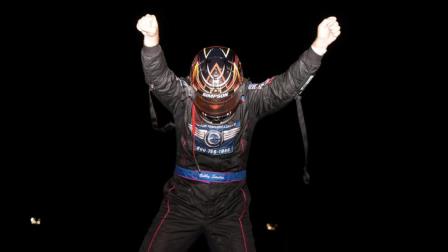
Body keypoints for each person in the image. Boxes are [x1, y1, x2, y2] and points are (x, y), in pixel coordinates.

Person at [136, 13, 340, 252]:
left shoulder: (251, 99)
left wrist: (319, 46)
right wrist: (152, 38)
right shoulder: (183, 95)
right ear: (194, 87)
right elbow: (158, 78)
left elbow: (287, 86)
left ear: (237, 86)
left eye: (223, 102)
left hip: (230, 209)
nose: (216, 110)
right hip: (182, 203)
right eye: (207, 102)